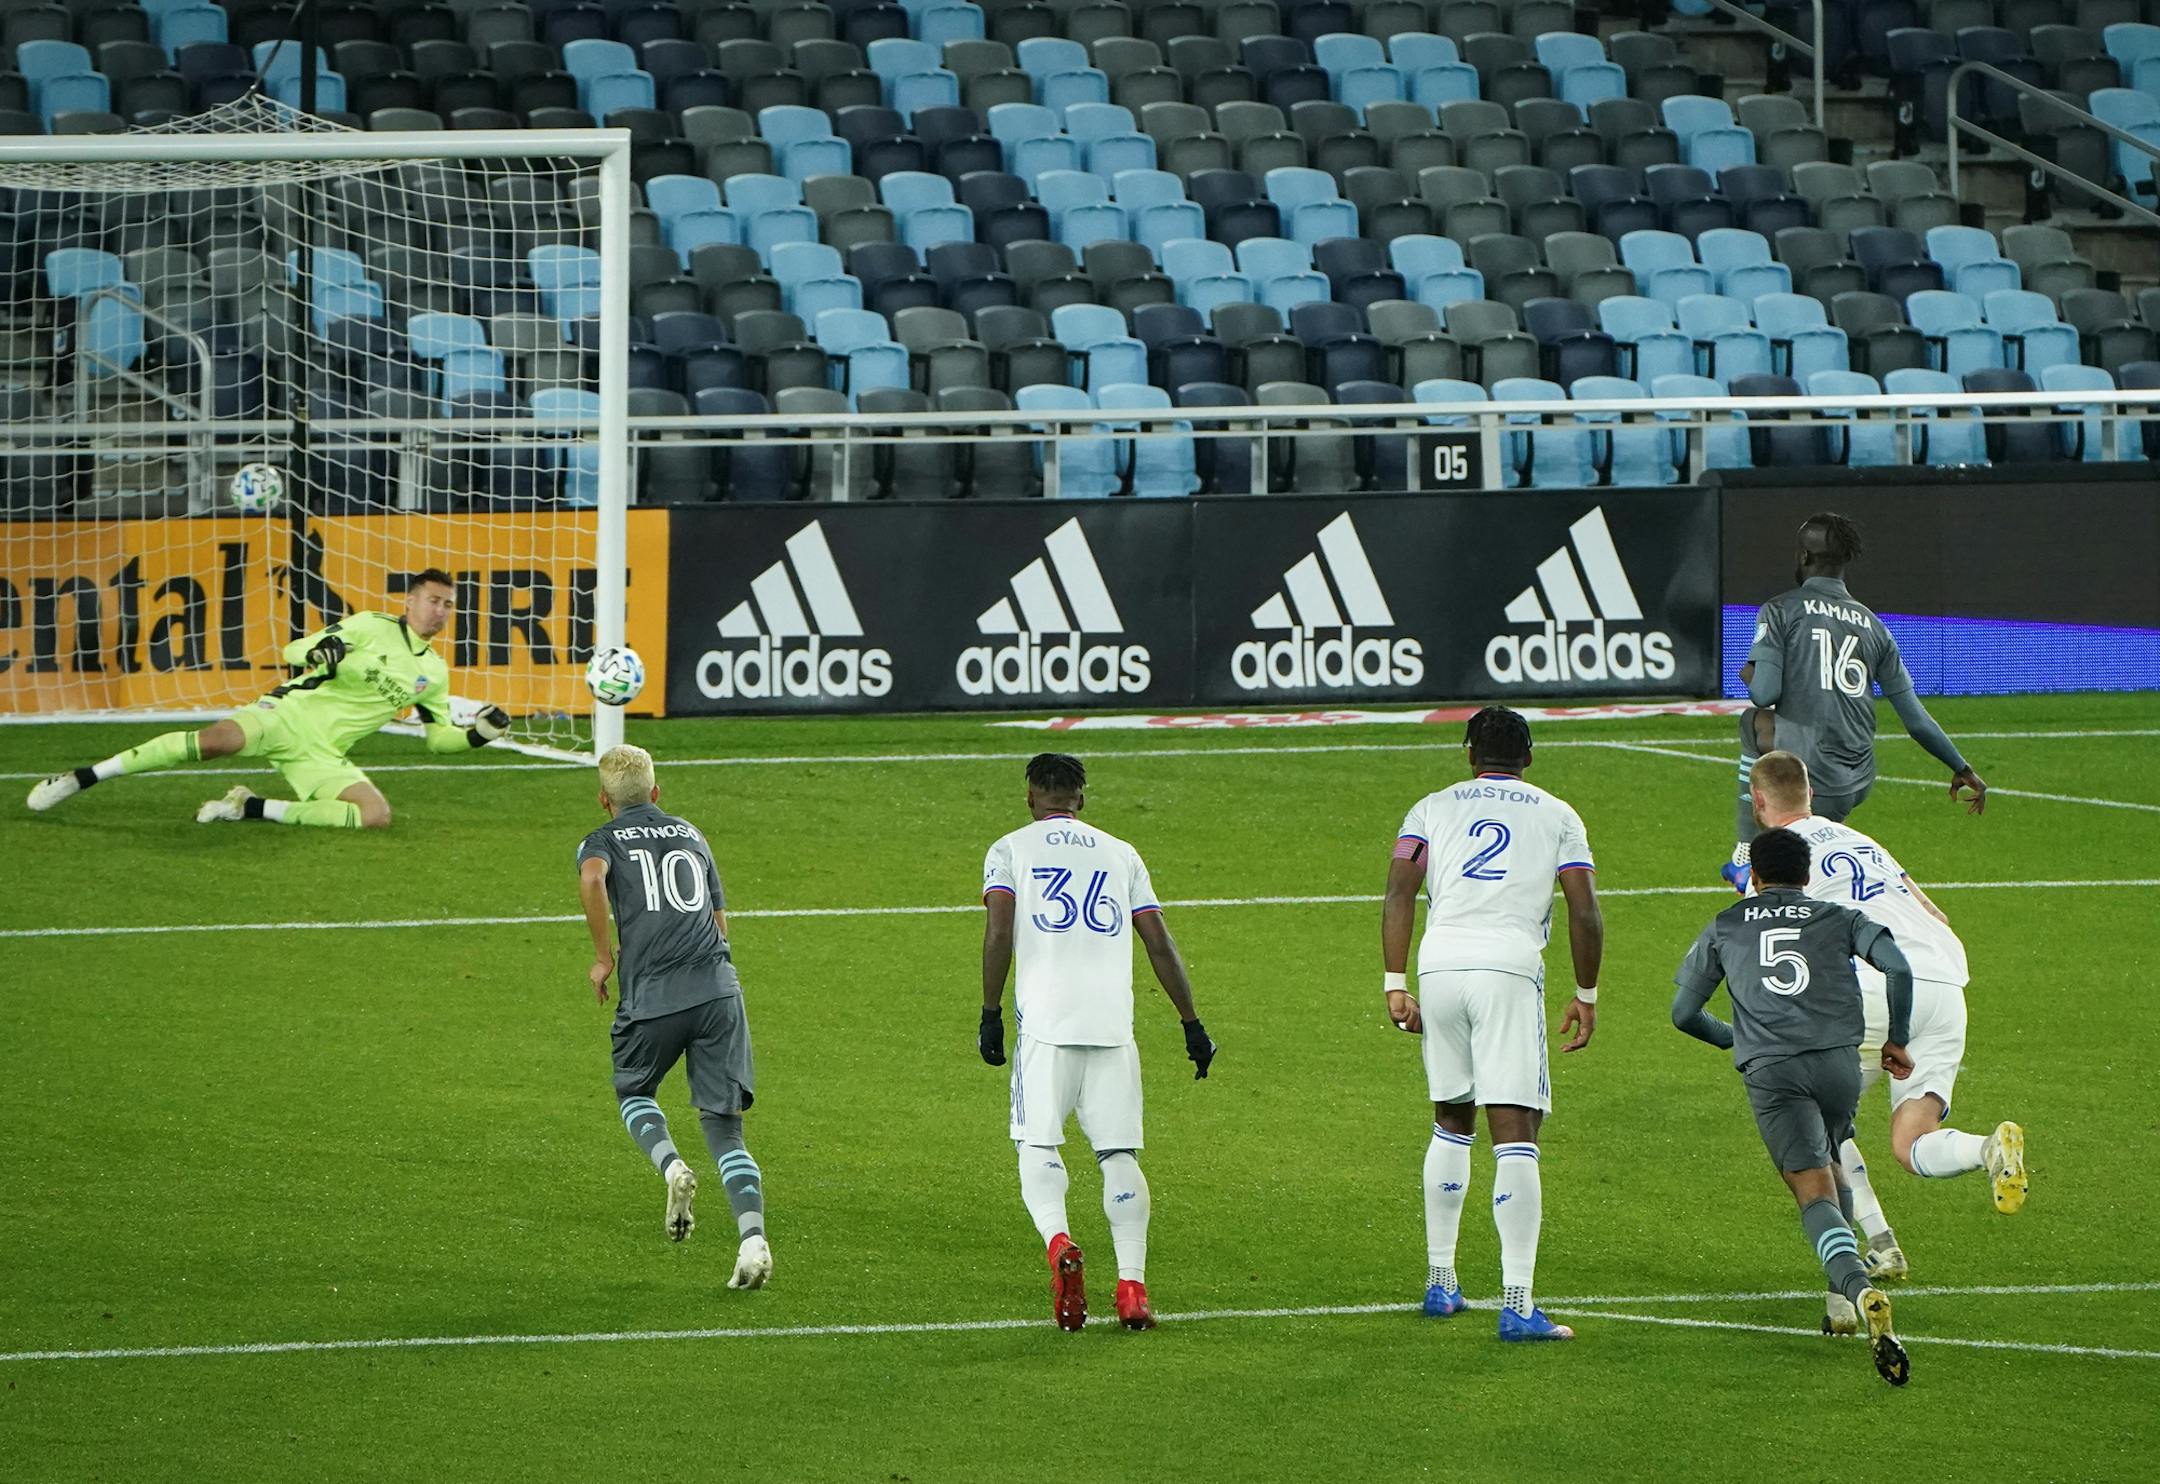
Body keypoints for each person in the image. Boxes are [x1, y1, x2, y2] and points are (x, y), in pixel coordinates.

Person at [1750, 750, 2027, 1289]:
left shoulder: (1772, 862)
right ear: (1810, 793)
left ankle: (1876, 1247)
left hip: (1873, 987)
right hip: (1944, 985)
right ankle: (1988, 1147)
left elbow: (1770, 948)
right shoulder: (1863, 842)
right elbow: (1936, 915)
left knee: (1820, 1121)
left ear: (1759, 801)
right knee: (1912, 1143)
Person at [1381, 706, 1603, 1343]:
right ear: (1528, 756)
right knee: (1515, 1128)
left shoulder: (1430, 808)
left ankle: (1442, 1283)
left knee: (1451, 1117)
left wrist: (1395, 984)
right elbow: (1584, 910)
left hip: (1440, 964)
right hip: (1507, 969)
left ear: (1468, 753)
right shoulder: (1557, 814)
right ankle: (1517, 1302)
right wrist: (1585, 993)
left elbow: (1399, 891)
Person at [979, 753, 1215, 1333]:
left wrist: (989, 1011)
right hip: (1113, 1027)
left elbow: (1000, 931)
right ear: (1081, 798)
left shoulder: (1009, 849)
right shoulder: (1120, 852)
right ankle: (1132, 1286)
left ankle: (1060, 1240)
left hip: (1046, 1027)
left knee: (1038, 1146)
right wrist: (1191, 1022)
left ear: (1031, 795)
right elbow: (1159, 942)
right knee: (1118, 1155)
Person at [1672, 826, 1916, 1386]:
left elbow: (1684, 1014)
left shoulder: (1727, 924)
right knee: (1832, 1155)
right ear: (1807, 876)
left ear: (1753, 877)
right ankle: (1836, 1303)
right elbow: (1898, 967)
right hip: (1838, 1064)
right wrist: (1896, 1039)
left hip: (1773, 1071)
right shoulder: (1837, 917)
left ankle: (1858, 1290)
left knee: (1812, 1189)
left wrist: (1737, 1038)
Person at [25, 568, 510, 830]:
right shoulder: (369, 625)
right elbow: (293, 650)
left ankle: (247, 808)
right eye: (432, 600)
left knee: (374, 816)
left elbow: (437, 739)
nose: (440, 610)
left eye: (448, 604)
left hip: (322, 753)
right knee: (215, 741)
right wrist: (324, 648)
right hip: (285, 715)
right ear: (409, 600)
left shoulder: (433, 673)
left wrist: (478, 735)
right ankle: (81, 778)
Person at [577, 743, 771, 1290]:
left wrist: (602, 957)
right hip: (717, 991)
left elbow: (593, 879)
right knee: (726, 1130)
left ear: (603, 799)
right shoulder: (690, 833)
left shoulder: (602, 838)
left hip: (653, 997)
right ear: (656, 793)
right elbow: (719, 918)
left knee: (634, 1093)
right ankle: (753, 1240)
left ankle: (671, 1167)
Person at [1724, 512, 1986, 891]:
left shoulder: (1780, 609)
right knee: (1814, 874)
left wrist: (1749, 672)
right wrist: (1961, 767)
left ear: (1802, 557)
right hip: (1857, 779)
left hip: (1809, 774)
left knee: (1754, 720)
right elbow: (1916, 720)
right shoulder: (1874, 625)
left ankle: (1745, 856)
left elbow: (1764, 693)